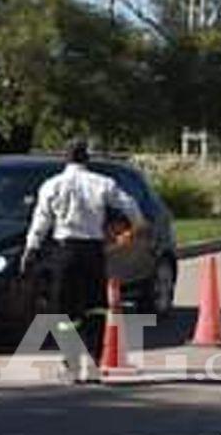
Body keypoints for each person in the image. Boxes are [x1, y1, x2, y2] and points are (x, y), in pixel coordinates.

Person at [23, 140, 145, 380]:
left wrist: (31, 248)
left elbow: (41, 220)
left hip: (65, 250)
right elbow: (129, 204)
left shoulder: (52, 185)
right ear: (86, 159)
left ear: (65, 158)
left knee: (63, 309)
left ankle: (71, 363)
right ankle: (95, 362)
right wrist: (137, 224)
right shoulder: (102, 183)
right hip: (93, 251)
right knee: (95, 308)